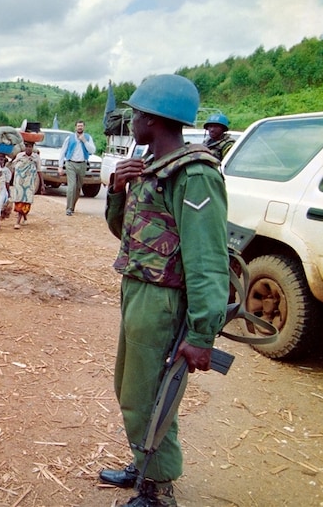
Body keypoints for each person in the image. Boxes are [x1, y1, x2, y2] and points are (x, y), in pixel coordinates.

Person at [101, 74, 229, 507]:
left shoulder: (195, 175)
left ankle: (158, 491)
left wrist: (200, 335)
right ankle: (145, 462)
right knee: (131, 388)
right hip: (139, 291)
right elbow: (129, 234)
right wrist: (117, 190)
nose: (131, 121)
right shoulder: (149, 167)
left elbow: (208, 260)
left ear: (153, 120)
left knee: (152, 393)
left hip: (164, 302)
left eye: (136, 114)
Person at [58, 120, 96, 216]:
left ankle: (72, 206)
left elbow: (92, 150)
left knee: (78, 187)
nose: (80, 127)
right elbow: (63, 152)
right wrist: (60, 166)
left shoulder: (87, 137)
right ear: (75, 127)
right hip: (71, 163)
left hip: (82, 164)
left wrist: (84, 141)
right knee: (72, 186)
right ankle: (69, 208)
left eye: (81, 126)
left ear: (84, 127)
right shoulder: (70, 138)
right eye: (78, 126)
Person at [10, 141, 45, 229]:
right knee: (19, 200)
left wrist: (42, 185)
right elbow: (13, 166)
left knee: (26, 200)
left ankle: (18, 221)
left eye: (30, 146)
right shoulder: (20, 156)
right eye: (27, 146)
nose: (28, 148)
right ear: (24, 147)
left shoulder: (36, 157)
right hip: (19, 182)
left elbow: (39, 171)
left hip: (29, 183)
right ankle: (23, 217)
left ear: (33, 147)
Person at [0, 152, 12, 234]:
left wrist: (9, 194)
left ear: (4, 160)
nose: (0, 161)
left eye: (1, 159)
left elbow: (7, 184)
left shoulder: (6, 171)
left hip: (2, 190)